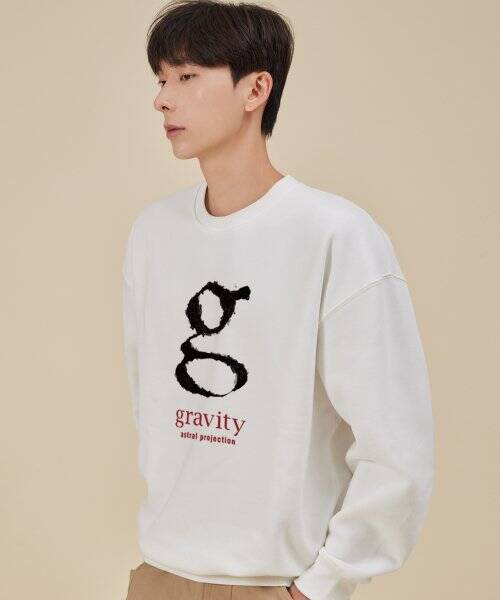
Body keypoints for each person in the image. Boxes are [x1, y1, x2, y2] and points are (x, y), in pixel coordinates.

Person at [122, 1, 435, 599]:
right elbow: (152, 405)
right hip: (160, 574)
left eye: (187, 76)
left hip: (273, 584)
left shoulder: (336, 235)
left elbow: (398, 445)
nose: (162, 99)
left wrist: (323, 584)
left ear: (255, 89)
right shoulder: (153, 233)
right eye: (160, 79)